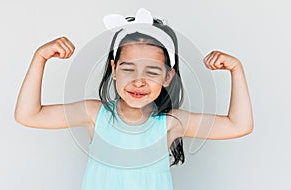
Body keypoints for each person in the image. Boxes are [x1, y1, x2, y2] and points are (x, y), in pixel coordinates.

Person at [14, 8, 253, 190]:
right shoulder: (94, 115)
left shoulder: (170, 123)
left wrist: (237, 69)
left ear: (168, 76)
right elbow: (28, 115)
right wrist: (40, 58)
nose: (139, 81)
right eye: (129, 69)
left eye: (151, 72)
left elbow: (238, 125)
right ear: (114, 69)